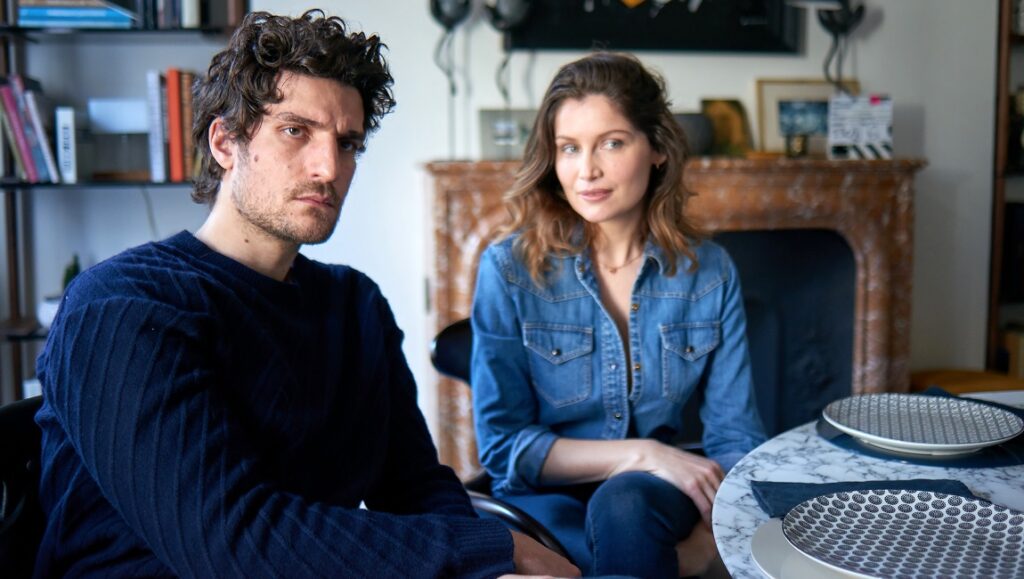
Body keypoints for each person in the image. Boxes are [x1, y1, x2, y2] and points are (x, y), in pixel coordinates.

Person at [32, 10, 577, 578]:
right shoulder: (124, 305)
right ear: (225, 142)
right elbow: (229, 542)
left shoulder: (355, 306)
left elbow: (414, 486)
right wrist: (490, 547)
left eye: (347, 143)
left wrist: (494, 571)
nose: (328, 167)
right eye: (296, 131)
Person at [470, 52, 767, 578]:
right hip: (544, 497)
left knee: (625, 503)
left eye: (611, 143)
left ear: (657, 149)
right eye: (569, 148)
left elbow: (736, 437)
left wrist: (712, 534)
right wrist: (643, 454)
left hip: (650, 493)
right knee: (616, 539)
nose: (587, 170)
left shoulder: (708, 272)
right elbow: (504, 448)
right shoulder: (509, 270)